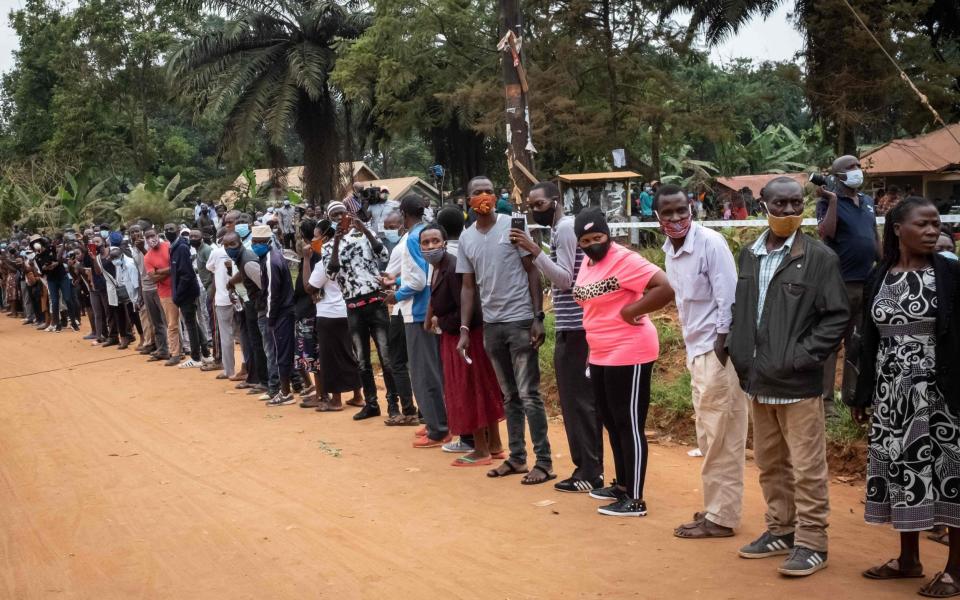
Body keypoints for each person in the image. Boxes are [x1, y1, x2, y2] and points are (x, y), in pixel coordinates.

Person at [728, 176, 849, 577]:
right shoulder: (750, 255)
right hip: (758, 380)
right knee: (769, 462)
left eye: (796, 204)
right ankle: (781, 529)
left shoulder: (819, 258)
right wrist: (738, 350)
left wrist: (802, 356)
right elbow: (743, 310)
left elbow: (836, 317)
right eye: (779, 204)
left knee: (807, 465)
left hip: (797, 382)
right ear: (763, 204)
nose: (788, 212)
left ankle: (813, 541)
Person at [849, 197, 960, 596]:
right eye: (923, 224)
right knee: (904, 472)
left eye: (937, 224)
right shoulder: (880, 275)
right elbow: (867, 341)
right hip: (894, 394)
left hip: (943, 394)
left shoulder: (950, 273)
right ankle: (909, 560)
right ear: (898, 229)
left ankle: (956, 570)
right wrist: (862, 394)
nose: (933, 231)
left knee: (949, 476)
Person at [653, 185, 749, 538]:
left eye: (682, 210)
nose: (677, 218)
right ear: (658, 217)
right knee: (710, 434)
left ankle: (721, 517)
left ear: (691, 209)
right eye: (669, 213)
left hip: (716, 352)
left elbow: (730, 299)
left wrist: (721, 352)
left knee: (722, 434)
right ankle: (717, 507)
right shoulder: (670, 252)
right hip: (697, 352)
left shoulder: (710, 243)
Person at [570, 208, 673, 517]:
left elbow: (664, 287)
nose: (592, 244)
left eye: (598, 237)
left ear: (608, 235)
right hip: (600, 351)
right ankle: (622, 485)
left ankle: (636, 499)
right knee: (612, 422)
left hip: (630, 350)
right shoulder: (588, 264)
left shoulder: (624, 259)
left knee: (629, 424)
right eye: (585, 240)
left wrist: (631, 311)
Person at [458, 175, 554, 485]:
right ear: (468, 200)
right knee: (509, 395)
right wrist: (463, 328)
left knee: (529, 394)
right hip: (492, 326)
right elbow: (468, 287)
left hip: (520, 321)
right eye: (477, 192)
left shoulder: (513, 227)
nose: (483, 196)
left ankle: (544, 462)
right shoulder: (466, 238)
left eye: (488, 191)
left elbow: (532, 272)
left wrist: (537, 316)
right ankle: (516, 458)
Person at [513, 181, 603, 493]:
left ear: (556, 200)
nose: (533, 210)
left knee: (578, 402)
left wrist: (533, 250)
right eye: (529, 206)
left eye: (538, 204)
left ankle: (589, 471)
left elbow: (566, 279)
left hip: (577, 327)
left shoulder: (565, 227)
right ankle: (588, 468)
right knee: (577, 401)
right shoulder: (560, 229)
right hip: (572, 325)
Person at [422, 222, 504, 464]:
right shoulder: (438, 267)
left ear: (445, 243)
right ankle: (495, 444)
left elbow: (468, 307)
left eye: (435, 241)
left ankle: (481, 450)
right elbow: (435, 298)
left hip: (464, 337)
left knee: (469, 390)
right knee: (479, 388)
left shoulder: (452, 268)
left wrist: (441, 321)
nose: (431, 246)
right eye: (426, 243)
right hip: (458, 336)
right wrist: (431, 318)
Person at [816, 154, 879, 417]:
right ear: (838, 175)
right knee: (831, 345)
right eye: (850, 168)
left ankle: (852, 399)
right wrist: (831, 200)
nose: (857, 171)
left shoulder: (867, 202)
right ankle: (826, 404)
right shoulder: (827, 202)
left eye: (858, 166)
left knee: (857, 343)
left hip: (865, 284)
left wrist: (884, 265)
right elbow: (825, 232)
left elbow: (874, 237)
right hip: (839, 283)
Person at [323, 201, 396, 420]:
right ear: (330, 219)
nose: (339, 218)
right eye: (334, 216)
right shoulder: (328, 246)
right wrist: (335, 242)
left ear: (348, 214)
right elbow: (332, 274)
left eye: (341, 213)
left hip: (375, 303)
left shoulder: (365, 234)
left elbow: (383, 255)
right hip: (353, 307)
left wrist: (365, 230)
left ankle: (394, 404)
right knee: (362, 361)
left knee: (387, 358)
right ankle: (371, 404)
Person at [385, 197, 449, 447]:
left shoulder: (413, 238)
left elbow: (418, 281)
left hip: (418, 311)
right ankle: (439, 420)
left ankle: (438, 428)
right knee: (436, 370)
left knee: (425, 373)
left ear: (403, 213)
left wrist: (396, 294)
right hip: (431, 308)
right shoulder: (427, 233)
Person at [306, 219, 363, 411]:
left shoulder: (324, 261)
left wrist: (306, 259)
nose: (313, 240)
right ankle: (357, 395)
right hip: (346, 310)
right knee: (348, 353)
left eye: (316, 235)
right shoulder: (349, 255)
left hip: (329, 313)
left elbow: (309, 287)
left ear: (327, 237)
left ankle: (336, 400)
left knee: (330, 357)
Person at [380, 208, 419, 426]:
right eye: (386, 228)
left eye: (392, 227)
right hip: (421, 309)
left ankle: (408, 410)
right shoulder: (422, 239)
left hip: (403, 308)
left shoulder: (403, 246)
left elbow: (389, 277)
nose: (388, 232)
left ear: (403, 221)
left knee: (398, 361)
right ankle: (425, 410)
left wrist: (389, 285)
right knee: (420, 362)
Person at [250, 225, 296, 405]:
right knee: (283, 351)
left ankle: (285, 393)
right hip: (284, 311)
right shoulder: (272, 256)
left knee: (281, 352)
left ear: (265, 242)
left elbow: (272, 293)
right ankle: (289, 389)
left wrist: (270, 317)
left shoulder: (270, 261)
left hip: (281, 312)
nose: (254, 246)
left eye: (257, 242)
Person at [34, 237, 79, 332]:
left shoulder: (52, 249)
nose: (40, 248)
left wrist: (56, 262)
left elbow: (59, 258)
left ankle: (74, 323)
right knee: (54, 302)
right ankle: (57, 324)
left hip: (62, 277)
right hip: (51, 280)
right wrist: (47, 267)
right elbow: (42, 271)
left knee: (67, 299)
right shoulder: (37, 257)